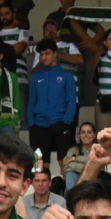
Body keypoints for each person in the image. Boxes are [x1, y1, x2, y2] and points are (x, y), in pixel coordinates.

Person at [27, 39, 78, 175]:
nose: (44, 57)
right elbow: (31, 102)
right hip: (39, 126)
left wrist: (66, 122)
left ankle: (68, 195)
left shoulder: (67, 75)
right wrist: (32, 124)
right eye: (41, 55)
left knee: (65, 164)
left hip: (61, 124)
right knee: (39, 167)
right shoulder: (36, 77)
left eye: (47, 53)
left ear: (55, 54)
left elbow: (72, 101)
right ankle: (40, 195)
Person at [62, 119, 98, 190]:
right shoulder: (73, 150)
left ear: (94, 135)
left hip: (95, 179)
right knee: (70, 172)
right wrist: (86, 166)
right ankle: (72, 197)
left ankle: (73, 195)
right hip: (76, 181)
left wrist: (75, 158)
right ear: (79, 135)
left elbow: (96, 163)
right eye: (83, 132)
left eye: (89, 132)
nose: (86, 135)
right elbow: (67, 165)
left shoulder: (98, 149)